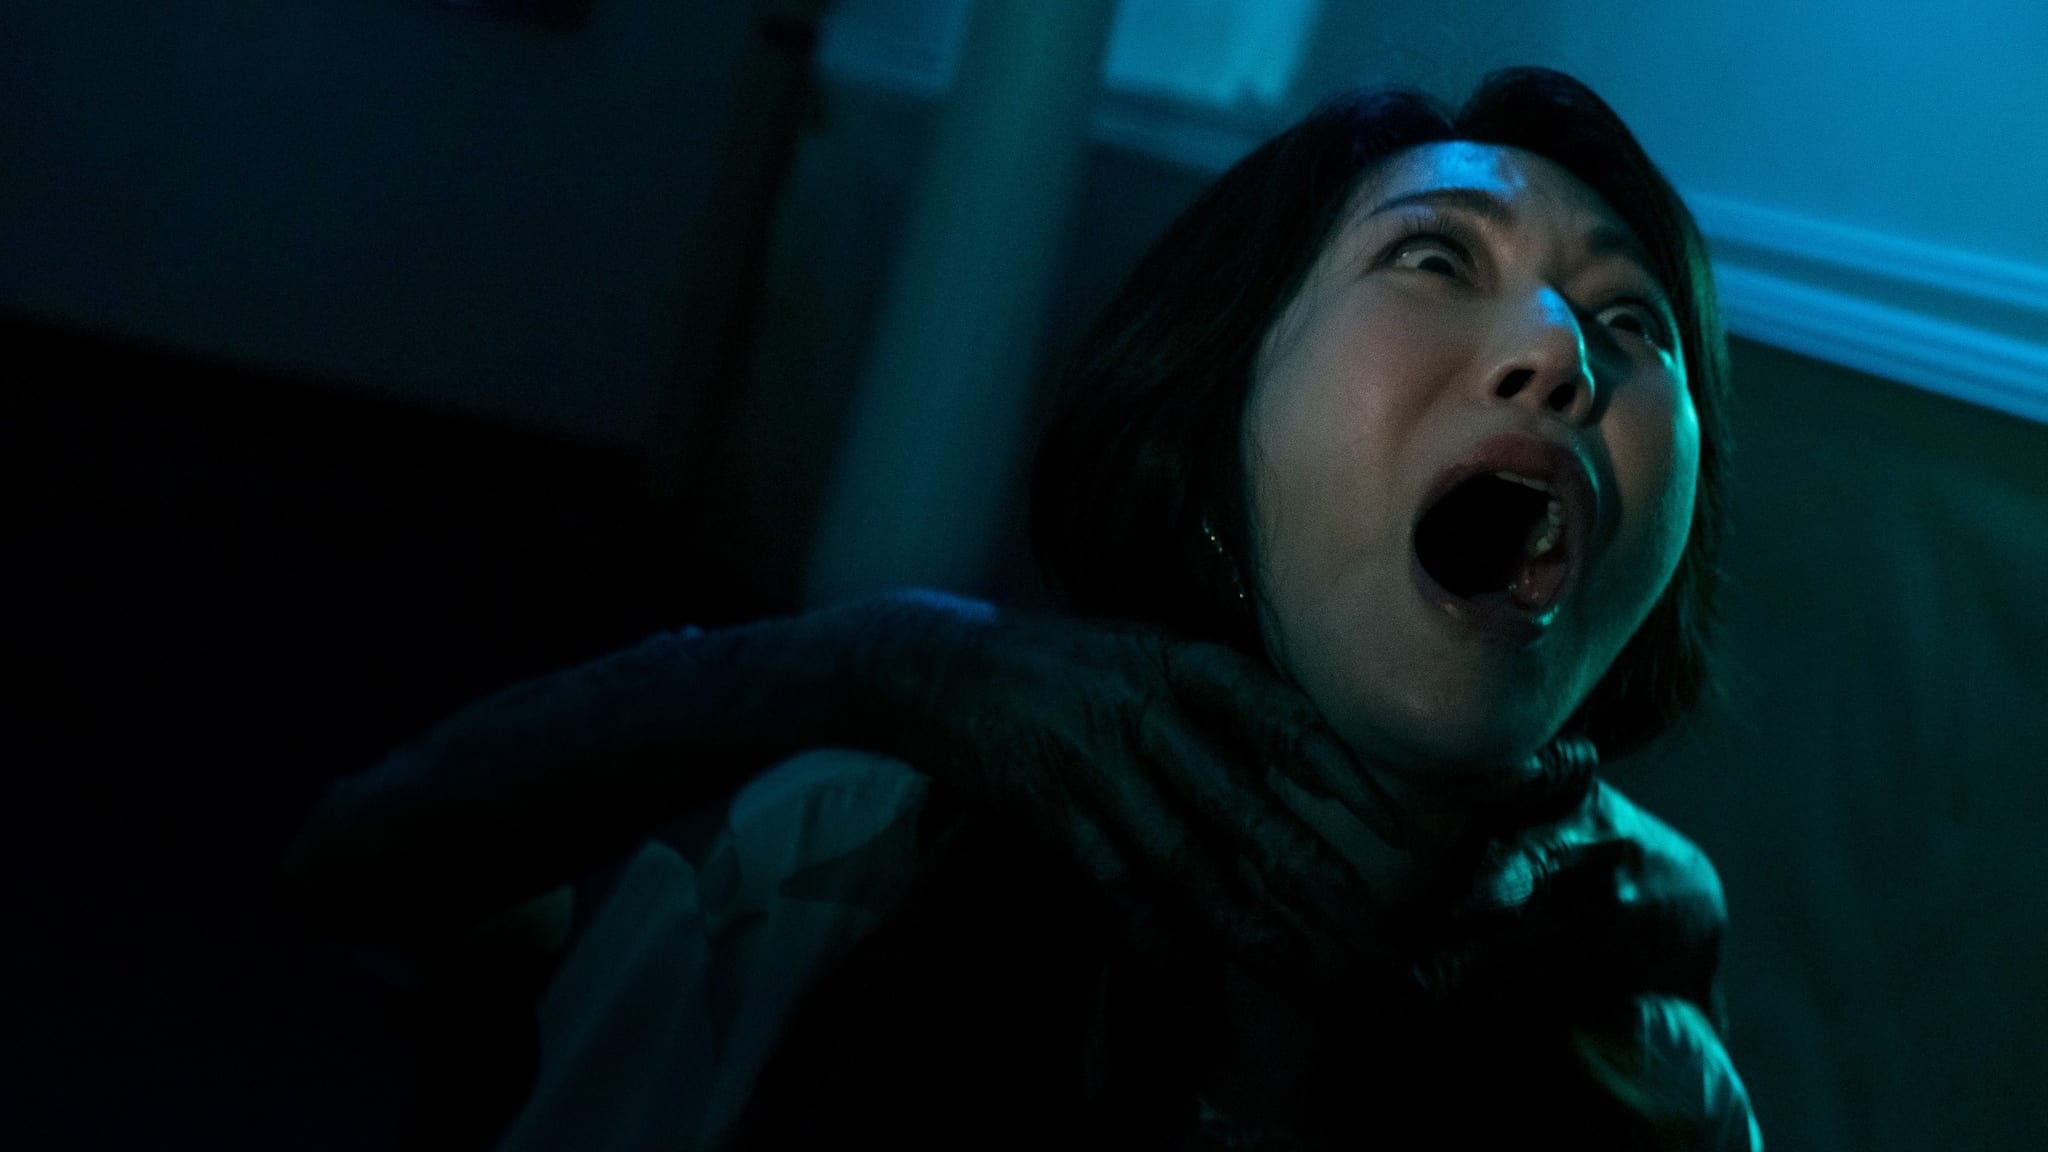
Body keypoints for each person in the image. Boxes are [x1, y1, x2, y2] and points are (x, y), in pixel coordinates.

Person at [282, 67, 1764, 1149]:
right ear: (1216, 432)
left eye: (1629, 320)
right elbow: (383, 871)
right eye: (1435, 256)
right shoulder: (847, 857)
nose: (1562, 353)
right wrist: (863, 663)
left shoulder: (1662, 1088)